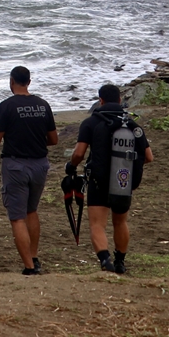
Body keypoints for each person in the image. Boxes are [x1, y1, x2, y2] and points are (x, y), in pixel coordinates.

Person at [0, 66, 59, 275]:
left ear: (11, 81)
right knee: (31, 210)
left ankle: (29, 267)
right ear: (29, 82)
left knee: (17, 216)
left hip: (16, 165)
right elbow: (53, 139)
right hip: (40, 163)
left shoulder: (7, 106)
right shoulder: (43, 105)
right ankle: (34, 257)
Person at [67, 83, 153, 274]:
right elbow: (148, 157)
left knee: (97, 224)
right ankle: (120, 261)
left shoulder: (91, 122)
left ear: (101, 100)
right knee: (120, 222)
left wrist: (71, 166)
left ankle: (105, 260)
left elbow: (79, 153)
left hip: (98, 181)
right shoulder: (131, 124)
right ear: (120, 100)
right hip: (123, 180)